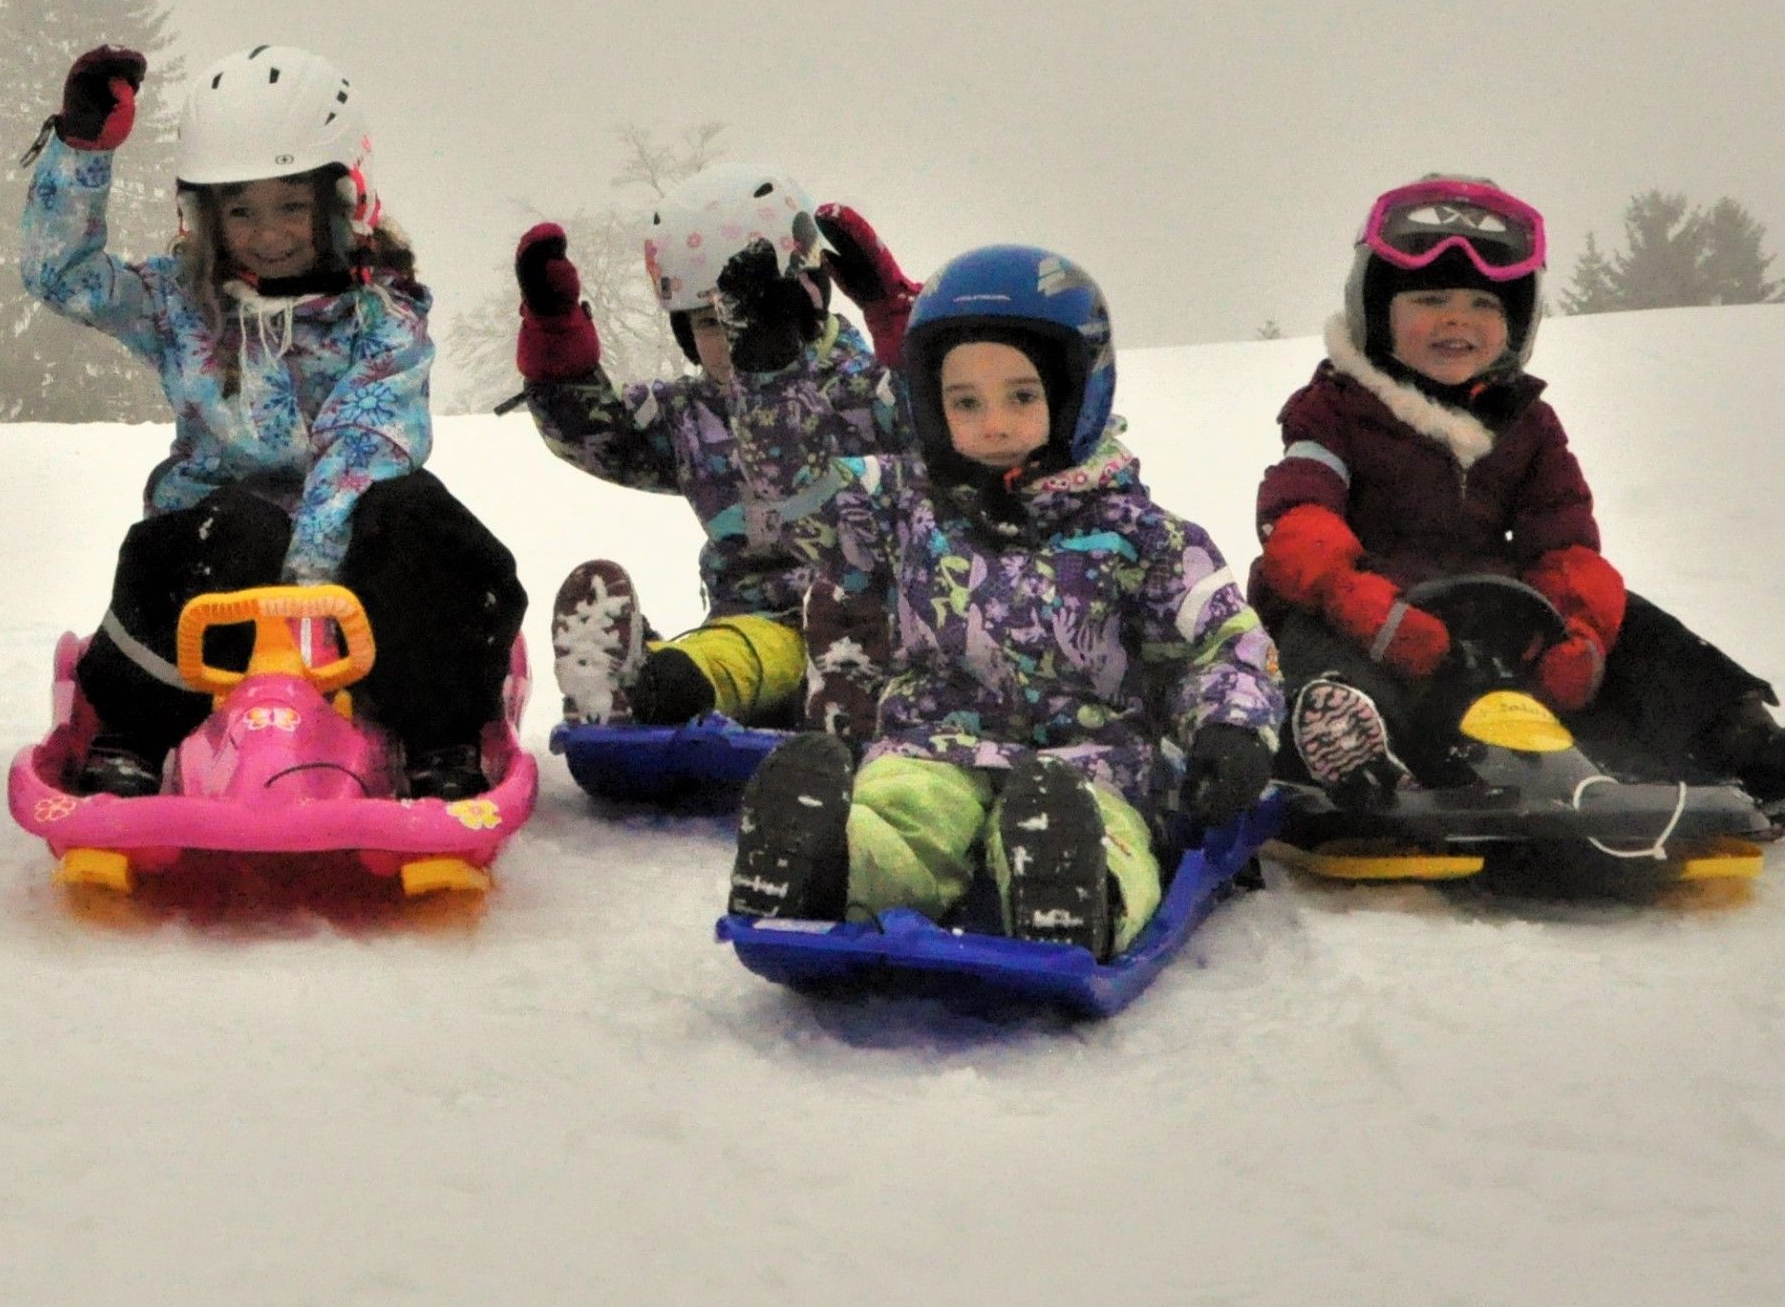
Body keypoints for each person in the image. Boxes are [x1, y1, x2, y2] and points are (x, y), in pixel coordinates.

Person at [726, 247, 1283, 958]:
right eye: (966, 402)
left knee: (1103, 823)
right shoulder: (903, 506)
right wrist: (772, 379)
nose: (994, 424)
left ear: (1078, 395)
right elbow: (798, 498)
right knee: (901, 812)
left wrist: (1232, 729)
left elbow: (1222, 645)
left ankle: (1081, 888)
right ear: (932, 407)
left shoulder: (1141, 535)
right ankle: (828, 867)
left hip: (1094, 760)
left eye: (1021, 397)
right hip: (933, 745)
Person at [23, 42, 525, 801]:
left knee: (414, 513)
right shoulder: (180, 302)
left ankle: (439, 734)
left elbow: (365, 442)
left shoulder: (381, 316)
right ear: (205, 215)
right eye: (241, 211)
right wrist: (81, 153)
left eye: (290, 206)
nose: (267, 233)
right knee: (222, 526)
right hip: (217, 574)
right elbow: (63, 277)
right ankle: (134, 728)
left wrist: (304, 590)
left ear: (340, 201)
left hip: (354, 582)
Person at [1250, 173, 1785, 807]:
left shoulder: (1528, 426)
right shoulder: (1334, 409)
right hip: (1368, 615)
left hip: (1494, 621)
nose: (1457, 319)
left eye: (1483, 304)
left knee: (1634, 625)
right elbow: (1298, 521)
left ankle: (1741, 741)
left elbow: (1566, 543)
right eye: (1430, 299)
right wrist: (1372, 612)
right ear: (1377, 311)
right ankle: (1348, 744)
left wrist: (1580, 636)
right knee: (1313, 636)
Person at [509, 165, 916, 727]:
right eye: (707, 323)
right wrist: (555, 333)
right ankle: (638, 678)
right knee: (736, 655)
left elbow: (948, 421)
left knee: (745, 663)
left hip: (873, 624)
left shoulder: (866, 394)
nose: (729, 341)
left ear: (806, 305)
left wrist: (894, 317)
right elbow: (596, 435)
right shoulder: (694, 415)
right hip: (752, 623)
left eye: (751, 319)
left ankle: (665, 685)